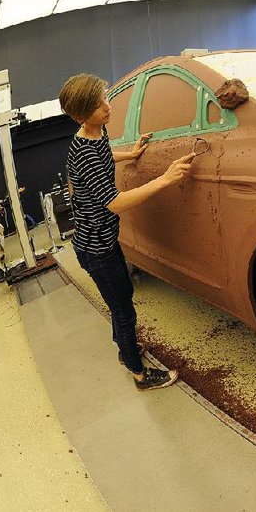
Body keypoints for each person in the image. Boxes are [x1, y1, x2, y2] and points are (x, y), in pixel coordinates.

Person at [59, 73, 196, 391]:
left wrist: (130, 154)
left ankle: (125, 348)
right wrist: (165, 178)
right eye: (99, 105)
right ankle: (139, 373)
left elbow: (104, 152)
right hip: (95, 249)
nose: (108, 107)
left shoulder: (95, 131)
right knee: (123, 309)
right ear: (81, 115)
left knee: (123, 298)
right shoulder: (84, 155)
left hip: (103, 241)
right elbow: (116, 202)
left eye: (105, 98)